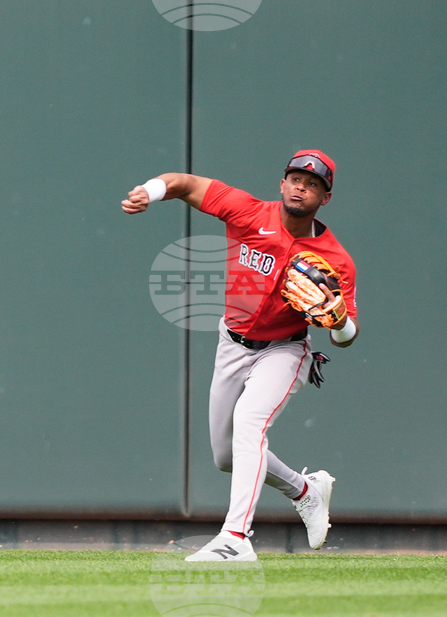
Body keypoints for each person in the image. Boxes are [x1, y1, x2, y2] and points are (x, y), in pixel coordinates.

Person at [122, 150, 359, 562]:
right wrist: (149, 191)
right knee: (226, 455)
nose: (302, 187)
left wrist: (338, 321)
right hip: (232, 342)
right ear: (282, 184)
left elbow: (346, 338)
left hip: (284, 349)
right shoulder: (249, 213)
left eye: (314, 184)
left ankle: (235, 537)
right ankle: (305, 491)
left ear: (326, 198)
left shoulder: (336, 259)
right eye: (296, 179)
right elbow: (185, 184)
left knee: (249, 422)